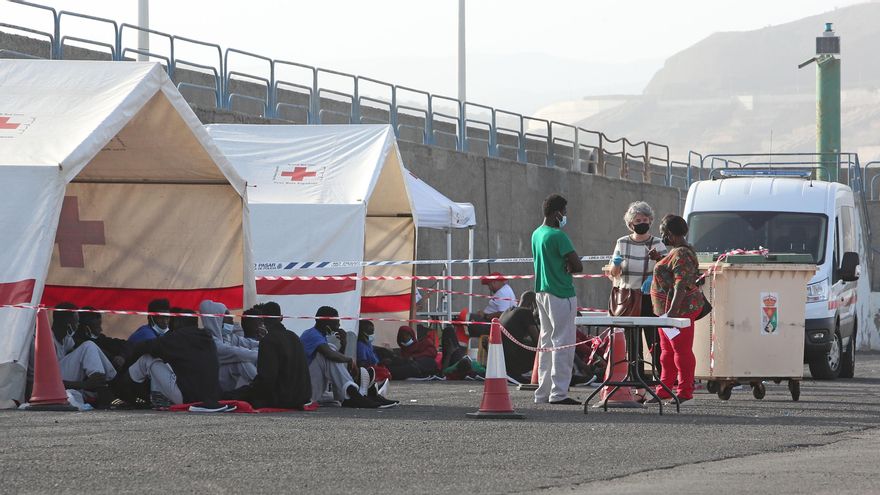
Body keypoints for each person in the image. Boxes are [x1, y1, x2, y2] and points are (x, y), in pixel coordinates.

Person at [531, 193, 583, 405]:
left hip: (542, 292)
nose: (565, 215)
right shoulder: (558, 236)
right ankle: (559, 392)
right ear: (557, 213)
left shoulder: (536, 234)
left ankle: (542, 392)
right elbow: (578, 265)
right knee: (563, 343)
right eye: (564, 212)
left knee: (546, 343)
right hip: (561, 293)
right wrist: (569, 265)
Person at [648, 214, 705, 405]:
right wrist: (659, 259)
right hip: (668, 311)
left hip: (679, 311)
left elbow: (681, 284)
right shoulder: (678, 252)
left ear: (670, 233)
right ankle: (664, 390)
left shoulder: (681, 253)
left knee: (681, 352)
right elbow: (673, 272)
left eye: (663, 232)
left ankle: (685, 393)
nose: (662, 236)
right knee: (667, 353)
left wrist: (672, 313)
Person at [608, 201, 667, 374]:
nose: (642, 223)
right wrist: (616, 264)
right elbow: (614, 273)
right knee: (632, 343)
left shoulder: (658, 243)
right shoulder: (622, 242)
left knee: (654, 341)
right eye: (638, 220)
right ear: (630, 223)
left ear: (650, 221)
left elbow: (667, 270)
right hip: (628, 297)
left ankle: (663, 377)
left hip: (651, 297)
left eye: (645, 220)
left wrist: (653, 277)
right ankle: (636, 379)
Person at [124, 315, 227, 411]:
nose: (168, 324)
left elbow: (147, 346)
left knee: (147, 359)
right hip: (212, 397)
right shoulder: (207, 338)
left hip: (188, 398)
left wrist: (126, 359)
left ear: (178, 322)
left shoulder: (180, 336)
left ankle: (126, 394)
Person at [300, 306, 392, 408]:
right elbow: (330, 355)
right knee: (328, 351)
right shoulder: (311, 335)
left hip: (316, 388)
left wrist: (344, 344)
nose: (339, 325)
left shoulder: (320, 336)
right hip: (307, 389)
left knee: (331, 351)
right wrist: (349, 360)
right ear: (326, 322)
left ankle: (356, 394)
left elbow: (334, 361)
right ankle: (354, 394)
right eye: (336, 321)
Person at [226, 302, 313, 409]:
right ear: (281, 318)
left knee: (237, 394)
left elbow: (267, 379)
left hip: (283, 398)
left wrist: (251, 389)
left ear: (263, 319)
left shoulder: (269, 340)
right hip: (302, 396)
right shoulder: (294, 336)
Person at [51, 303, 117, 398]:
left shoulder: (67, 340)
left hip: (63, 376)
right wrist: (85, 385)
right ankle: (106, 384)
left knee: (89, 346)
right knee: (88, 345)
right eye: (76, 322)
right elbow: (47, 380)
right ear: (67, 322)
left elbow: (74, 358)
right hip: (54, 381)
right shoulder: (48, 341)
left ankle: (107, 381)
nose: (77, 325)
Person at [199, 300, 259, 393]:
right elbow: (236, 353)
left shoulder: (227, 337)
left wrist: (268, 344)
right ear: (217, 320)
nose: (231, 320)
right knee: (242, 362)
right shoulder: (208, 341)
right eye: (227, 316)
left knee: (255, 351)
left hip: (224, 379)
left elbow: (248, 343)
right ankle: (264, 386)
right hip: (212, 383)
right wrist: (262, 354)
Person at [498, 291, 540, 382]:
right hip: (513, 360)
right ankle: (540, 376)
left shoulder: (507, 311)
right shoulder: (526, 312)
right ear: (533, 306)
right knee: (544, 349)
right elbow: (537, 340)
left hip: (501, 359)